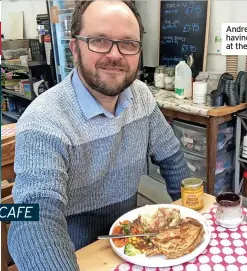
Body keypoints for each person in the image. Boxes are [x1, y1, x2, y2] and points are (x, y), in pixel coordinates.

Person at [8, 1, 190, 270]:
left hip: (132, 243)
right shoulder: (43, 121)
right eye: (100, 41)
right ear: (74, 48)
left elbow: (173, 161)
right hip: (75, 255)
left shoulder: (141, 96)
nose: (115, 55)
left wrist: (192, 220)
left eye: (128, 43)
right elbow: (33, 215)